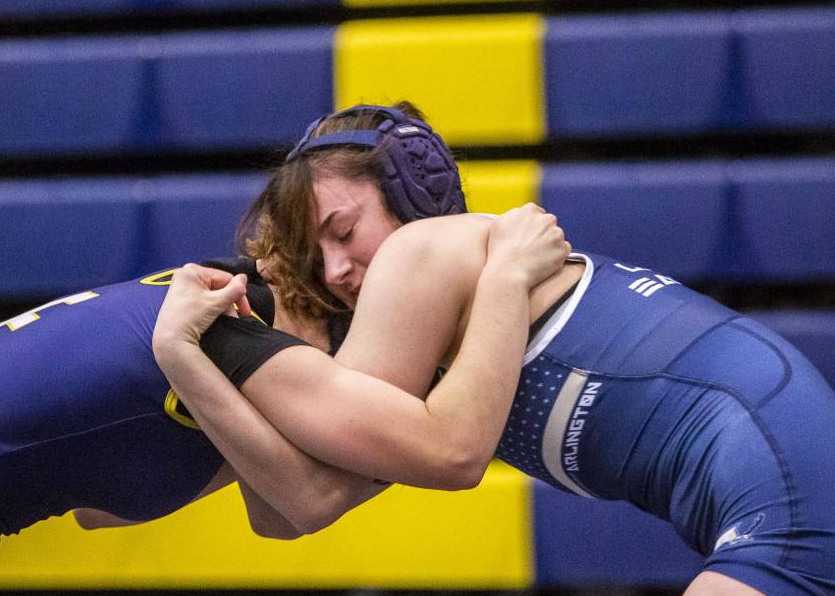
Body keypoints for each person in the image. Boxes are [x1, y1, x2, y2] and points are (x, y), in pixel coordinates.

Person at [153, 103, 835, 596]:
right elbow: (291, 508)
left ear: (412, 194)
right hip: (789, 467)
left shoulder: (419, 252)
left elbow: (372, 477)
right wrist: (206, 355)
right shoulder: (440, 350)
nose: (333, 271)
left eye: (343, 230)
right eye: (315, 254)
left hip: (787, 489)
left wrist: (205, 350)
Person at [0, 196, 567, 593]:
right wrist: (503, 277)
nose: (353, 273)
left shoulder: (192, 329)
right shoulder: (217, 328)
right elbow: (349, 486)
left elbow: (106, 509)